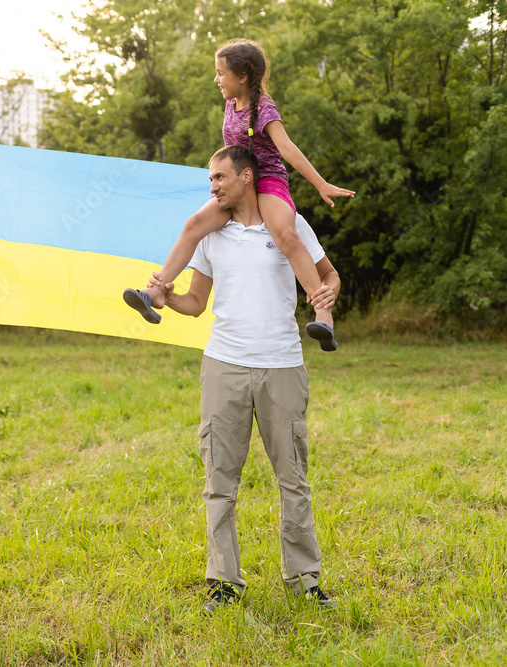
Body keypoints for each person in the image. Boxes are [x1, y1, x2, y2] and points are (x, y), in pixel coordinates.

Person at [151, 145, 338, 613]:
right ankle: (224, 582)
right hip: (224, 366)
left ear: (247, 177)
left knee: (293, 477)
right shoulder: (212, 235)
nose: (212, 187)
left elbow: (327, 276)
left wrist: (330, 291)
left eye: (219, 178)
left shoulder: (289, 224)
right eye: (209, 180)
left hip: (283, 366)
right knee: (219, 480)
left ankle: (304, 579)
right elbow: (196, 303)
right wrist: (169, 299)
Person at [125, 38, 353, 352]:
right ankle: (157, 291)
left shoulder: (264, 110)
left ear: (242, 76)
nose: (216, 79)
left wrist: (320, 184)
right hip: (238, 183)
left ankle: (322, 312)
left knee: (286, 235)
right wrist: (220, 177)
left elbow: (286, 150)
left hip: (268, 179)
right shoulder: (231, 103)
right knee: (194, 224)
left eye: (221, 73)